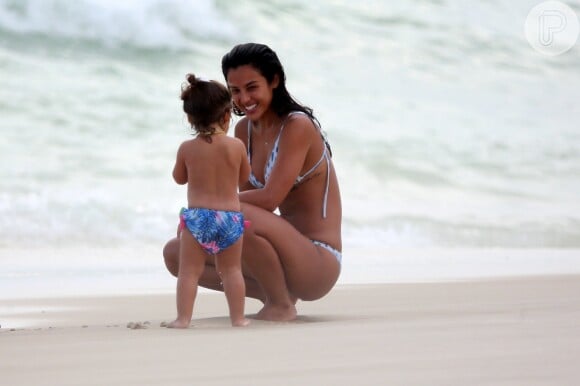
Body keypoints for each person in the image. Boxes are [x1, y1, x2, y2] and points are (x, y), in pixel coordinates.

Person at [163, 43, 342, 321]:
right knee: (177, 253)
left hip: (317, 261)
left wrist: (204, 211)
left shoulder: (297, 126)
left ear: (274, 81)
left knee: (231, 217)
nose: (244, 99)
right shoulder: (243, 130)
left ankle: (281, 304)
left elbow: (269, 199)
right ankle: (274, 292)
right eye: (235, 91)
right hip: (281, 258)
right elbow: (246, 204)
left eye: (252, 87)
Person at [166, 74, 251, 328]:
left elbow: (179, 178)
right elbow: (244, 177)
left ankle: (183, 319)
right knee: (232, 271)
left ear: (191, 118)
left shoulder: (187, 148)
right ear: (226, 116)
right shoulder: (236, 146)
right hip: (230, 220)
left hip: (198, 219)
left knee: (189, 272)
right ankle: (238, 318)